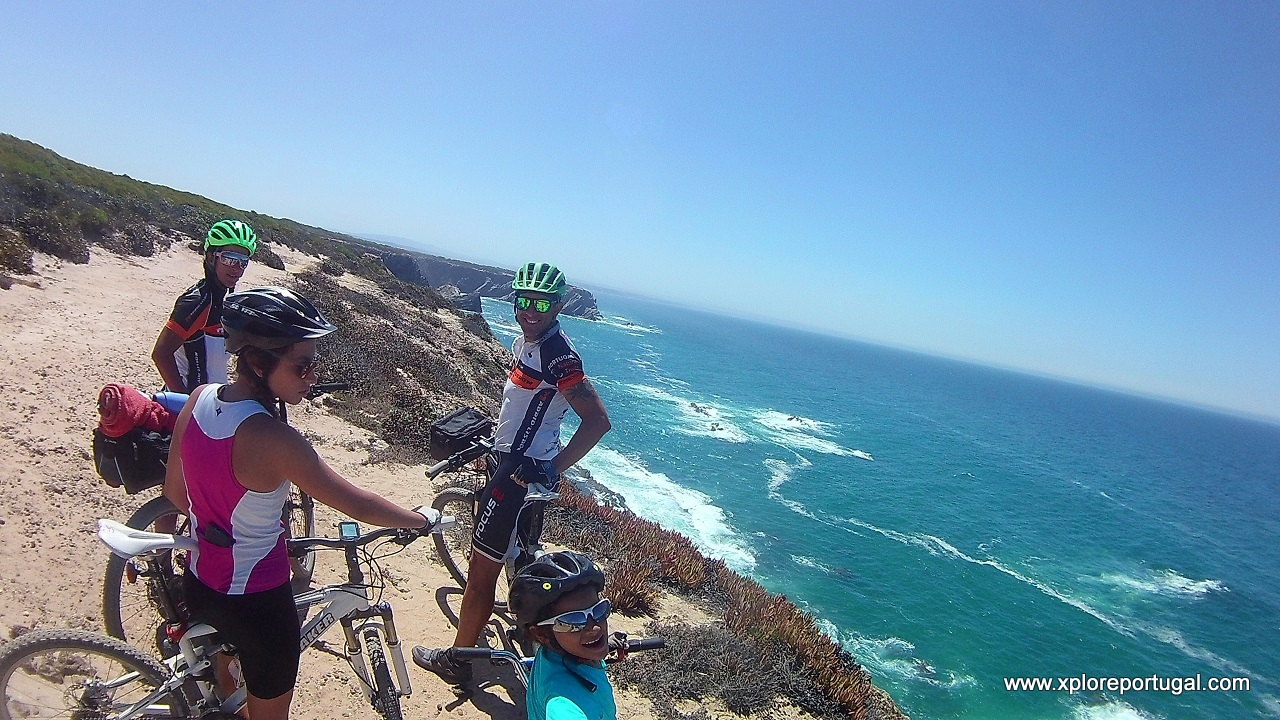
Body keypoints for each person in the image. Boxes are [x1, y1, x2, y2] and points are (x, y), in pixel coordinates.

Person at [163, 285, 434, 720]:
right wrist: (419, 520)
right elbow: (358, 504)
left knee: (228, 685)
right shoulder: (275, 439)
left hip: (201, 582)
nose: (311, 376)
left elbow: (176, 496)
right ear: (257, 361)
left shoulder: (198, 399)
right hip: (257, 604)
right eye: (302, 365)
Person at [413, 261, 612, 685]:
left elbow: (597, 421)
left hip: (517, 476)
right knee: (521, 557)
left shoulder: (559, 355)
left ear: (559, 304)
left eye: (541, 302)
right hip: (517, 465)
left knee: (480, 574)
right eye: (524, 300)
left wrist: (548, 467)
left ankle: (458, 660)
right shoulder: (532, 342)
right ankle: (534, 635)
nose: (530, 310)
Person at [509, 552, 619, 720]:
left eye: (599, 610)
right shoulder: (565, 707)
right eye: (574, 621)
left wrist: (605, 646)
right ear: (541, 634)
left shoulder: (558, 652)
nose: (595, 628)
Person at [152, 219, 257, 393]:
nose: (237, 268)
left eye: (243, 261)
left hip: (210, 404)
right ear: (210, 256)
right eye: (230, 259)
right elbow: (161, 354)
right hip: (188, 407)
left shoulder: (225, 300)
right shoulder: (197, 301)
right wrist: (185, 402)